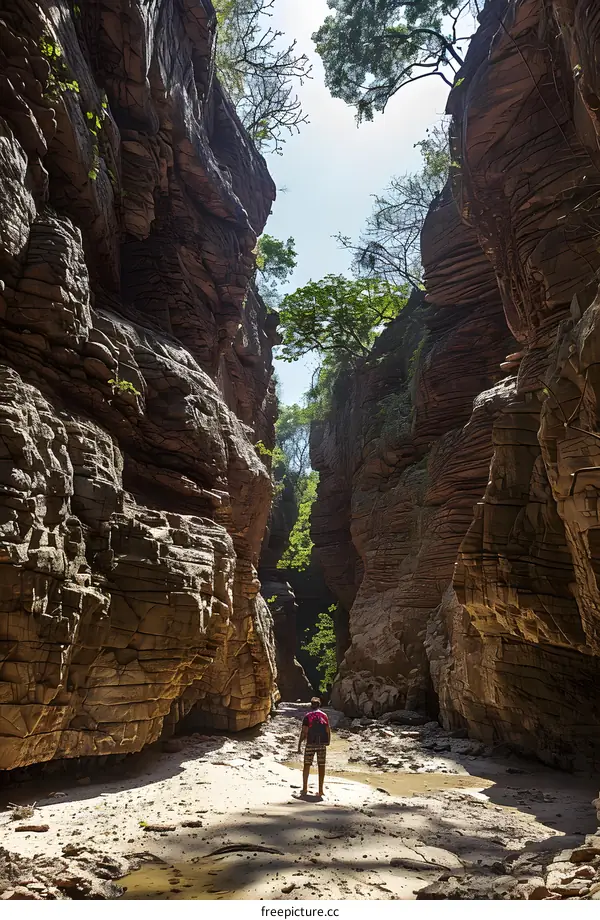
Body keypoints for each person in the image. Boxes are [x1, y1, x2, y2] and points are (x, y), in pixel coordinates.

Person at [297, 697, 331, 798]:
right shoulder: (324, 716)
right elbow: (328, 729)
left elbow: (304, 731)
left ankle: (304, 788)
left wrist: (299, 745)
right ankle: (320, 791)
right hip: (322, 744)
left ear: (311, 705)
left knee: (307, 765)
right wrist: (328, 741)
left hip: (310, 743)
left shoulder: (308, 716)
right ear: (320, 705)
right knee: (321, 765)